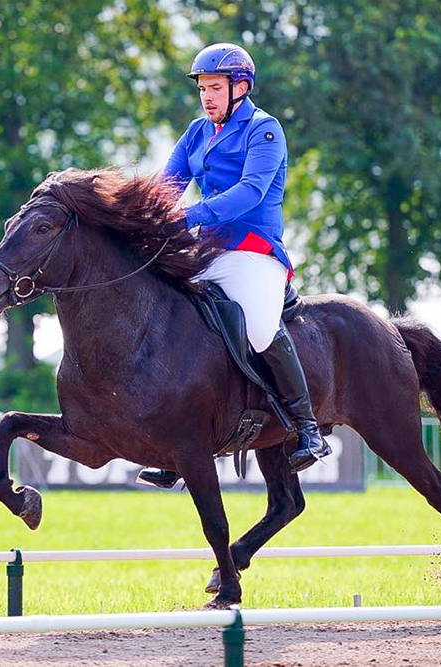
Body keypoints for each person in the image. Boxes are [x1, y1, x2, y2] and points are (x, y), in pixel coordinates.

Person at [137, 43, 331, 490]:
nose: (206, 96)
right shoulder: (196, 132)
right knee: (170, 319)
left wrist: (189, 216)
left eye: (215, 88)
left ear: (240, 87)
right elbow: (168, 184)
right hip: (208, 251)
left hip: (253, 249)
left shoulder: (265, 130)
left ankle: (307, 428)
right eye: (202, 88)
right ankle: (178, 440)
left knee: (260, 330)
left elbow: (250, 192)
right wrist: (141, 214)